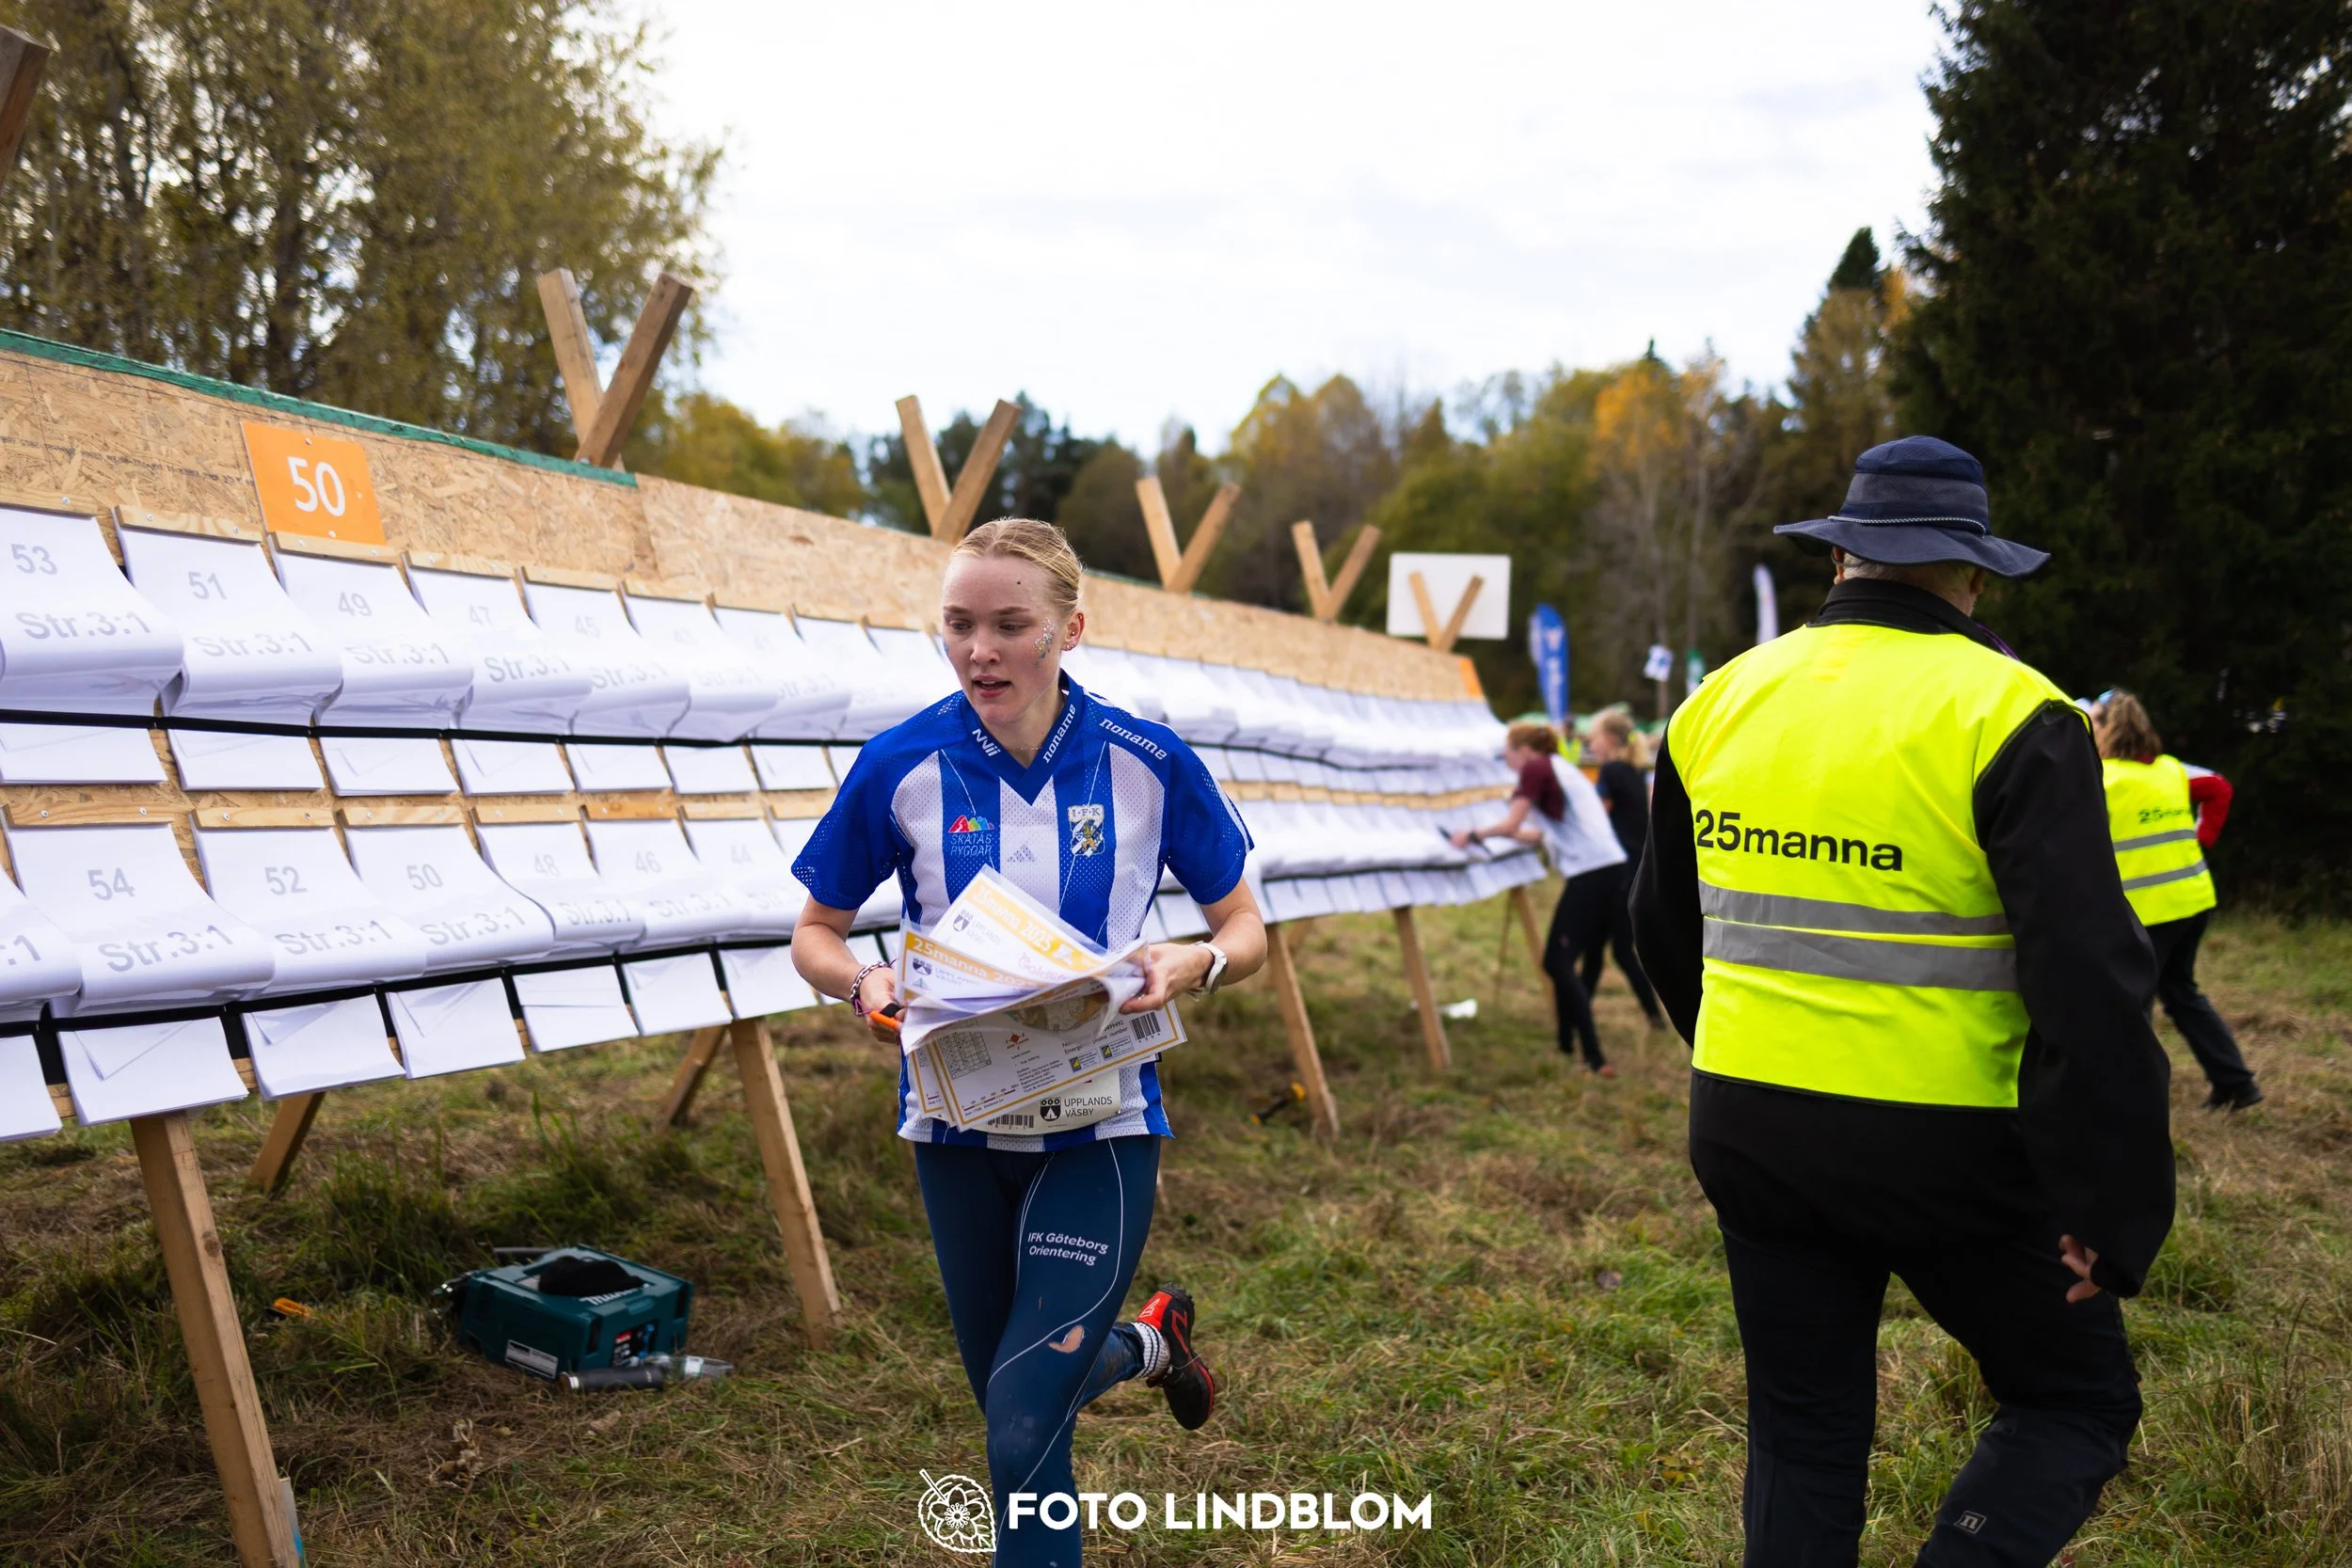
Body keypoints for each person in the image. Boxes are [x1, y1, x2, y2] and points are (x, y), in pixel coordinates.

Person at [1630, 436, 2174, 1566]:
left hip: (1747, 1127)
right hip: (1951, 1150)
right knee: (2073, 1398)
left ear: (1839, 558)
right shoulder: (2015, 711)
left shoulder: (1717, 698)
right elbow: (2089, 981)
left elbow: (1661, 929)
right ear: (1972, 573)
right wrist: (2112, 1215)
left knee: (1802, 1437)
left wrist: (1738, 1058)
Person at [790, 518, 1268, 1567]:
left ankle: (1137, 1345)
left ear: (1070, 629)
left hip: (1101, 1123)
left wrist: (1198, 959)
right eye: (958, 624)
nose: (980, 650)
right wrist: (864, 982)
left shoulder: (1148, 760)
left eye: (1011, 624)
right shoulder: (899, 762)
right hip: (954, 1126)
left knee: (1016, 1425)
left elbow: (1245, 927)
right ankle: (1149, 1342)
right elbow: (814, 934)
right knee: (1023, 1411)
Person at [2091, 689, 2262, 1111]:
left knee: (2132, 1003)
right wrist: (2201, 840)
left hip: (2150, 911)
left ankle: (2134, 1102)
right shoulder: (2169, 770)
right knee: (2181, 992)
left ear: (2108, 728)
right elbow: (2217, 788)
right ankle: (2236, 1084)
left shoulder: (2103, 780)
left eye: (2093, 720)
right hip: (2193, 901)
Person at [1452, 720, 1626, 1077]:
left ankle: (1594, 1057)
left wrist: (1473, 834)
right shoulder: (1559, 767)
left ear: (1523, 751)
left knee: (1556, 963)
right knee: (1570, 960)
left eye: (1507, 754)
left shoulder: (1535, 768)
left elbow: (1511, 823)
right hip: (1609, 868)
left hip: (1591, 872)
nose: (1507, 762)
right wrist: (1504, 836)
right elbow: (1540, 834)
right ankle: (1567, 1043)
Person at [1577, 709, 1666, 1029]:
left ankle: (1653, 1015)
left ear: (1610, 739)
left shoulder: (1612, 771)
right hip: (1633, 869)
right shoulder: (1632, 769)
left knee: (1614, 950)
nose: (1590, 743)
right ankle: (1582, 1013)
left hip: (1617, 872)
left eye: (1595, 737)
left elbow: (1597, 818)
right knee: (1603, 946)